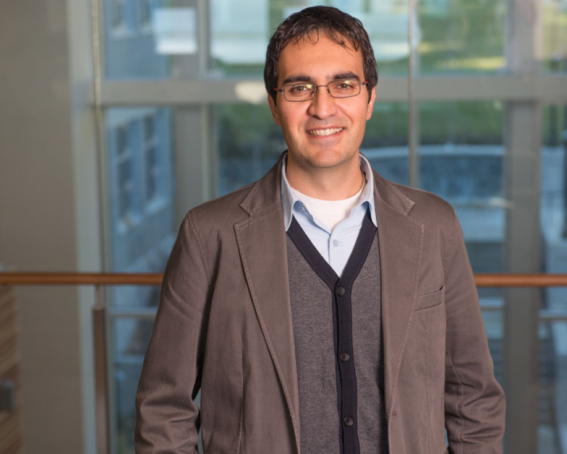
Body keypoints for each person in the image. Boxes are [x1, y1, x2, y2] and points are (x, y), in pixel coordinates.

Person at [135, 6, 505, 454]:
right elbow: (163, 410)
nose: (322, 108)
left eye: (343, 85)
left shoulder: (434, 226)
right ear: (274, 105)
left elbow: (474, 400)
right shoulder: (209, 235)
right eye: (299, 88)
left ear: (369, 99)